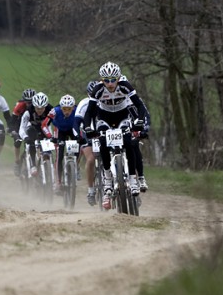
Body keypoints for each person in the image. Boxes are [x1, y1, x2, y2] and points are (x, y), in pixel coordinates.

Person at [83, 61, 148, 209]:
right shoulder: (98, 90)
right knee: (103, 144)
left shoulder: (125, 86)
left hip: (122, 118)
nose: (110, 84)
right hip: (104, 119)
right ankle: (107, 179)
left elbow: (140, 106)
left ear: (118, 78)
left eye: (113, 80)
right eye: (106, 80)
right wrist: (87, 127)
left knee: (129, 142)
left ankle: (132, 179)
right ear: (102, 80)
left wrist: (139, 121)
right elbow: (89, 112)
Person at [45, 94, 78, 194]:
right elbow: (44, 124)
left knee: (79, 145)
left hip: (72, 129)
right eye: (64, 109)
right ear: (61, 107)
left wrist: (81, 137)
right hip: (60, 131)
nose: (67, 112)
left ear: (73, 107)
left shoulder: (77, 110)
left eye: (69, 109)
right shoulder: (55, 111)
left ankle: (77, 166)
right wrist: (51, 137)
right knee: (59, 154)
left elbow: (83, 124)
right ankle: (58, 182)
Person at [18, 91, 54, 177]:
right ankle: (33, 165)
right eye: (37, 108)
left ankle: (48, 168)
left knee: (47, 150)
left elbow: (56, 125)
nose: (40, 110)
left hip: (46, 128)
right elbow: (22, 128)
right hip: (32, 128)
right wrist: (25, 137)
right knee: (31, 141)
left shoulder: (51, 110)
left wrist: (54, 136)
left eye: (42, 108)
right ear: (34, 106)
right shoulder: (28, 112)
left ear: (46, 106)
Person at [74, 80, 99, 205]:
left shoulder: (105, 101)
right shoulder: (84, 104)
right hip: (87, 133)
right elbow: (76, 121)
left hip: (101, 133)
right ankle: (91, 190)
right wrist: (78, 135)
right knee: (90, 160)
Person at [11, 88, 36, 176]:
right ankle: (17, 162)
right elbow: (13, 120)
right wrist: (13, 131)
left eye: (31, 102)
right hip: (19, 122)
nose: (29, 104)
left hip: (30, 122)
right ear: (24, 101)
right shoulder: (20, 106)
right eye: (27, 102)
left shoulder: (36, 107)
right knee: (17, 141)